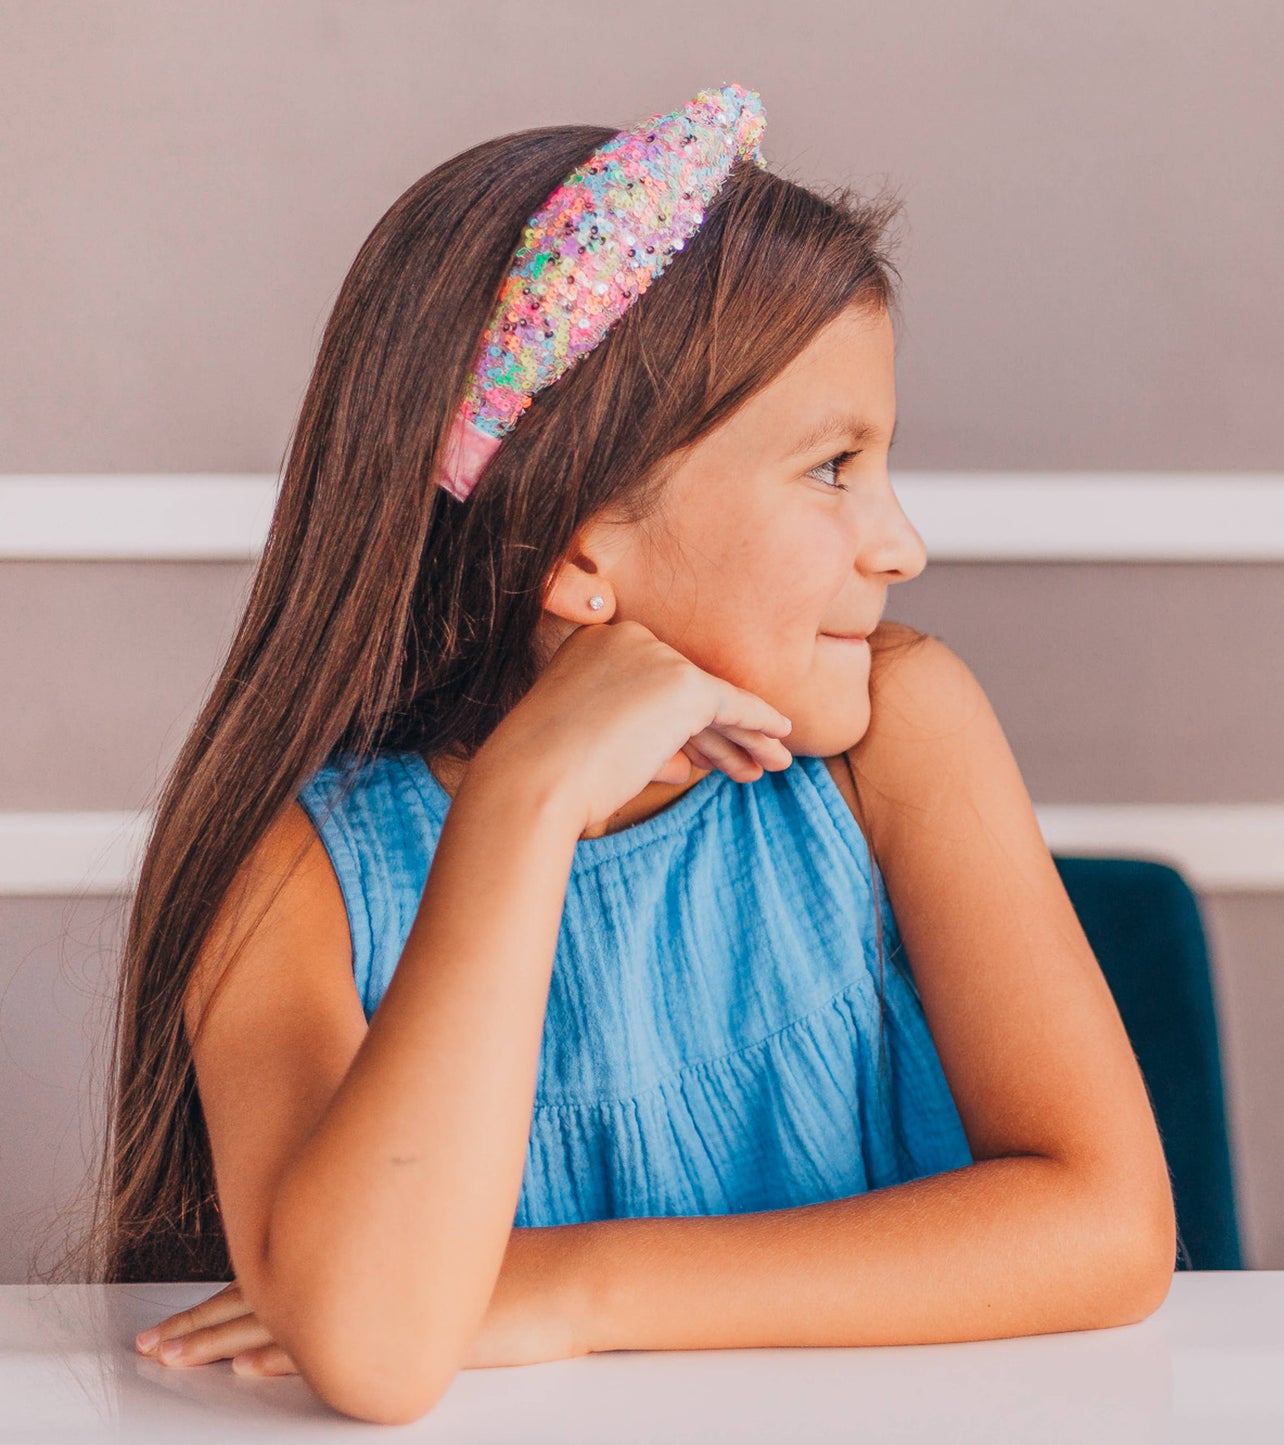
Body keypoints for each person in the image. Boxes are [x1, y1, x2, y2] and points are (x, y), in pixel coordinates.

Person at [54, 83, 1174, 1425]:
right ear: (582, 550)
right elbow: (379, 1349)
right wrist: (527, 801)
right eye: (831, 469)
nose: (897, 542)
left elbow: (1108, 1227)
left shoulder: (903, 731)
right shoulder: (292, 867)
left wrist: (568, 1288)